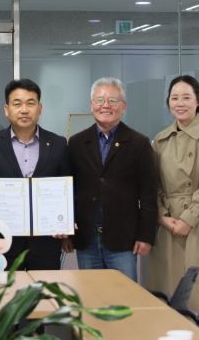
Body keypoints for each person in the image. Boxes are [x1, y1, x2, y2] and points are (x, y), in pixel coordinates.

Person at [145, 75, 199, 312]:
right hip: (167, 227)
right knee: (166, 295)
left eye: (186, 97)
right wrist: (162, 216)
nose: (180, 103)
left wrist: (188, 219)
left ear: (198, 100)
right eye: (174, 98)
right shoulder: (161, 139)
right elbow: (154, 184)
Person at [67, 77, 158, 281]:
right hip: (87, 240)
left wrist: (146, 236)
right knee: (91, 295)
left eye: (113, 100)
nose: (105, 105)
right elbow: (68, 191)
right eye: (99, 100)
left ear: (123, 106)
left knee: (125, 296)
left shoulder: (139, 143)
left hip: (123, 240)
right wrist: (66, 230)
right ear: (91, 105)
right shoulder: (76, 143)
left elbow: (149, 194)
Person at [0, 78, 70, 270]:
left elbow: (67, 189)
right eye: (17, 104)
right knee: (7, 288)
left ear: (40, 108)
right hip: (4, 241)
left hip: (46, 241)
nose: (24, 110)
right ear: (6, 109)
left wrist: (66, 222)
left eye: (30, 103)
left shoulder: (58, 144)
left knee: (45, 287)